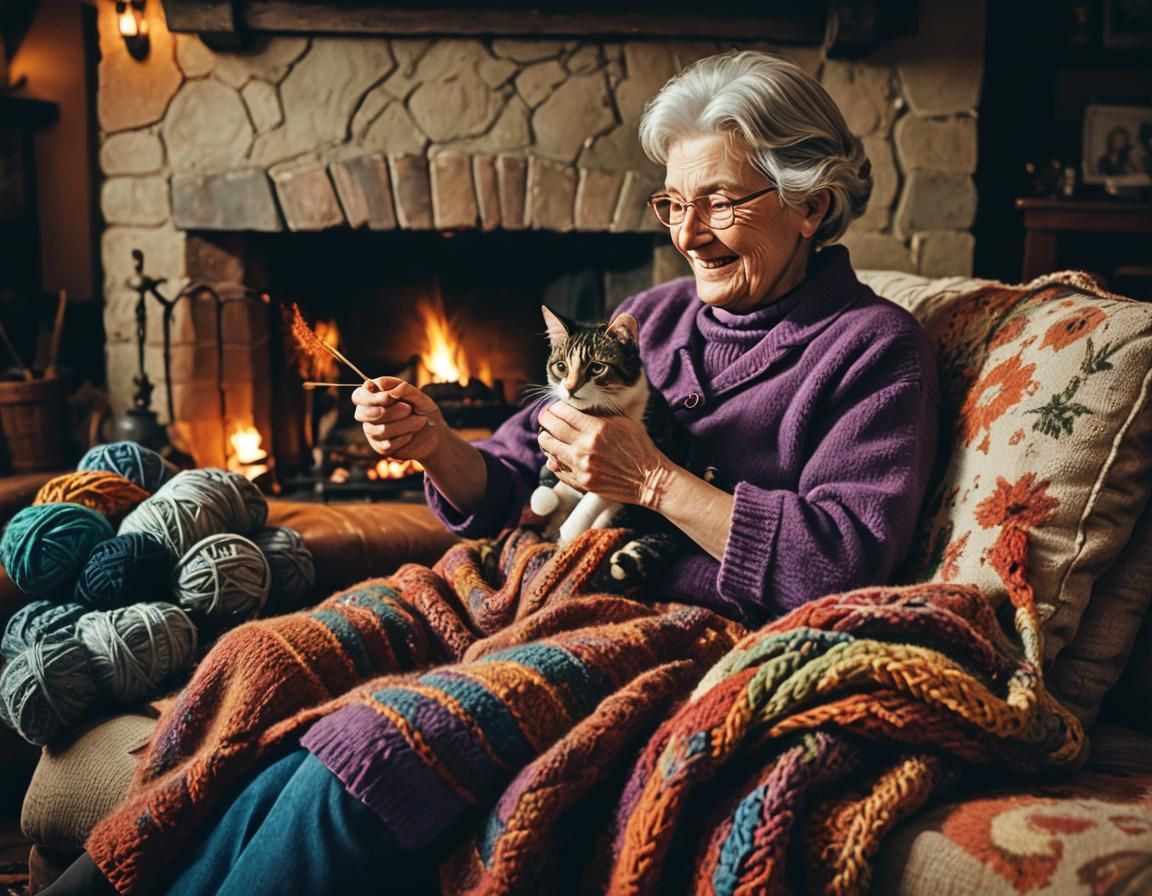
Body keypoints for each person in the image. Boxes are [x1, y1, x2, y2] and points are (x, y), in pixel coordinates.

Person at [44, 50, 938, 895]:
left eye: (721, 203)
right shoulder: (650, 318)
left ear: (810, 204)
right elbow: (513, 470)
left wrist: (656, 482)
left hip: (667, 622)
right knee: (268, 662)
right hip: (508, 584)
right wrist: (435, 444)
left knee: (374, 750)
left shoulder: (873, 351)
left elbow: (842, 561)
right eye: (673, 204)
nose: (690, 234)